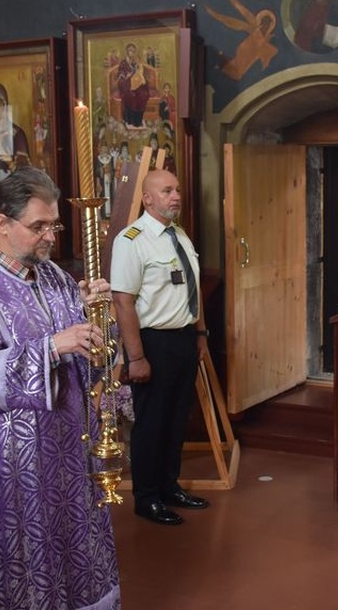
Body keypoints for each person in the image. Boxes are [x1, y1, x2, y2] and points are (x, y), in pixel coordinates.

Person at [0, 167, 120, 609]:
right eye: (38, 226)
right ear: (3, 224)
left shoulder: (57, 278)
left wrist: (99, 320)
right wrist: (51, 347)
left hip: (71, 449)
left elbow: (92, 362)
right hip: (17, 463)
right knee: (28, 560)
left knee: (78, 550)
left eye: (53, 225)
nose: (48, 237)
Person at [111, 168, 210, 525]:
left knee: (176, 418)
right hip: (153, 341)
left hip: (183, 338)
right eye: (167, 190)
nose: (176, 196)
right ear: (147, 198)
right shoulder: (132, 240)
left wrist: (200, 334)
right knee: (152, 422)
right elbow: (123, 302)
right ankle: (147, 497)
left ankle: (170, 487)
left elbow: (192, 289)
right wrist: (136, 357)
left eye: (177, 189)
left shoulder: (178, 234)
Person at [114, 43, 154, 129]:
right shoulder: (123, 63)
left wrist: (140, 77)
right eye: (130, 50)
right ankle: (129, 120)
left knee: (143, 94)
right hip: (126, 85)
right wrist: (127, 75)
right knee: (131, 96)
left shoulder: (135, 62)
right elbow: (120, 74)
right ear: (127, 51)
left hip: (136, 84)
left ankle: (138, 120)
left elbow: (140, 72)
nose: (132, 52)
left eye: (133, 51)